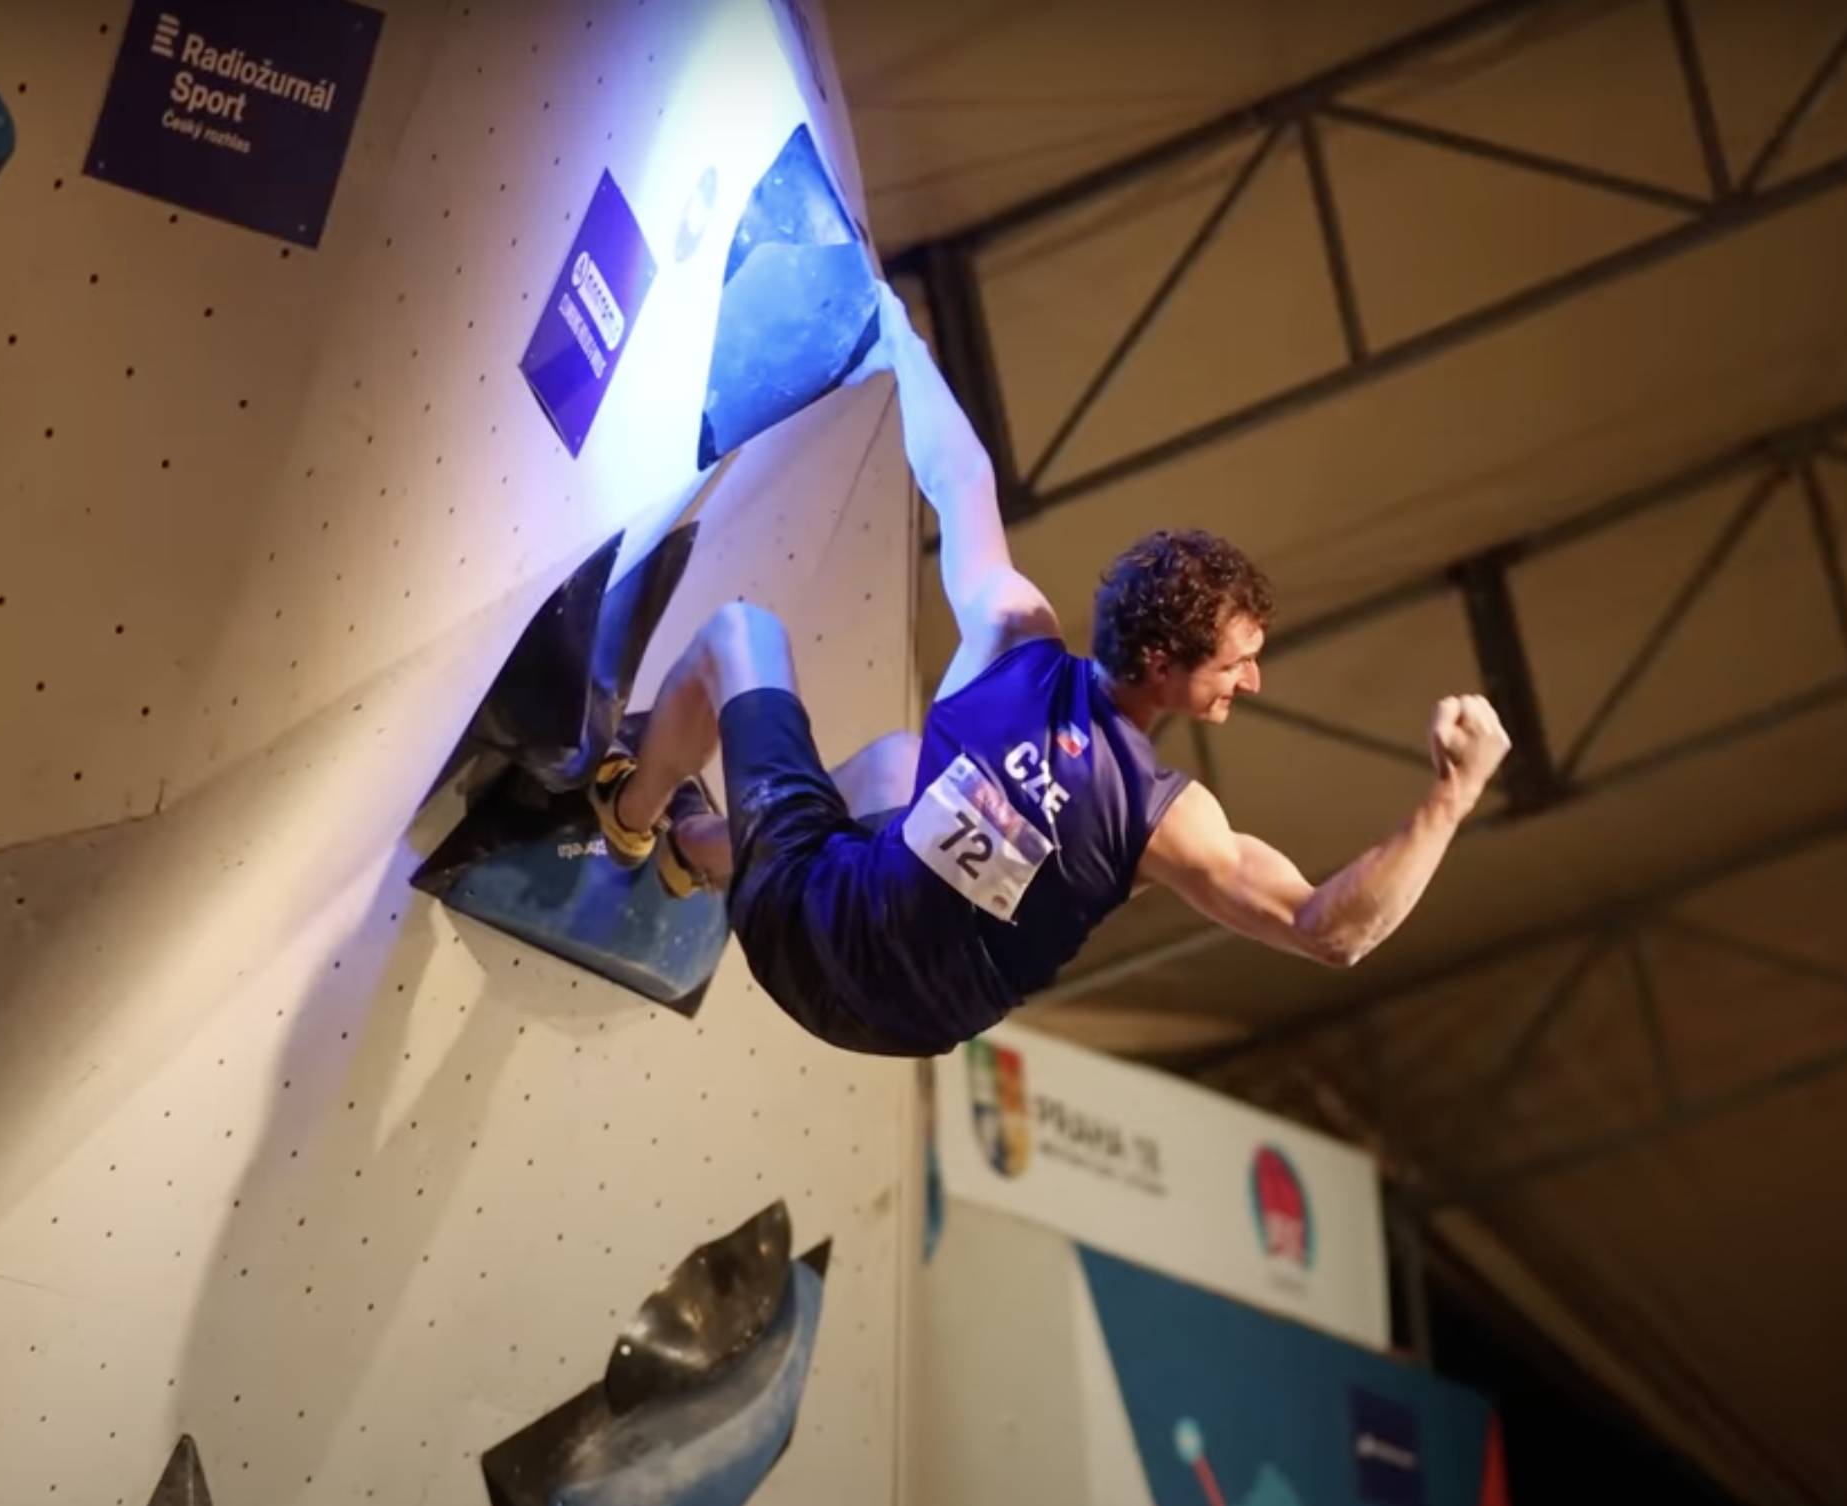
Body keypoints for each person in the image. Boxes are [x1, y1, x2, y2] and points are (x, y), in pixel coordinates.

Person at [589, 285, 1510, 1057]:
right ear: (1163, 664)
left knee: (741, 634)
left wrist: (899, 341)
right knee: (898, 766)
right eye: (1237, 664)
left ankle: (627, 811)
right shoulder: (1164, 821)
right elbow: (1329, 933)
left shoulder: (1010, 634)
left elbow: (961, 480)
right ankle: (684, 850)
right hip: (897, 1024)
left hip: (816, 933)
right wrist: (1451, 798)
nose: (1253, 683)